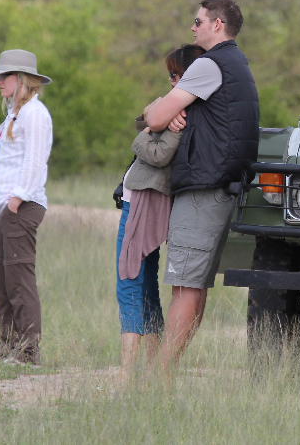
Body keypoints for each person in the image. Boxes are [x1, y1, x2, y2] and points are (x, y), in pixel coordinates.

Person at [145, 0, 259, 373]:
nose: (192, 28)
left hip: (201, 191)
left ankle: (159, 377)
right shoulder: (238, 64)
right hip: (222, 188)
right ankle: (167, 372)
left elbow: (157, 117)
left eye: (198, 21)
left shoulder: (209, 64)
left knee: (184, 287)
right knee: (194, 287)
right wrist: (180, 113)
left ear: (217, 25)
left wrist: (161, 110)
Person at [115, 44, 204, 380]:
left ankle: (126, 373)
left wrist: (146, 132)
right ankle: (150, 368)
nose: (170, 82)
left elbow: (157, 154)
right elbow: (147, 116)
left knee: (129, 278)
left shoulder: (183, 116)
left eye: (174, 75)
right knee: (146, 282)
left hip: (143, 201)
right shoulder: (178, 109)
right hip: (145, 198)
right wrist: (154, 112)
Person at [0, 50, 53, 366]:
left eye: (4, 75)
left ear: (23, 79)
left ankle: (28, 352)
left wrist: (16, 198)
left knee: (19, 278)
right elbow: (5, 162)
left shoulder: (35, 113)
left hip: (21, 205)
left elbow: (35, 160)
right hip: (2, 205)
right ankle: (7, 344)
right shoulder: (13, 114)